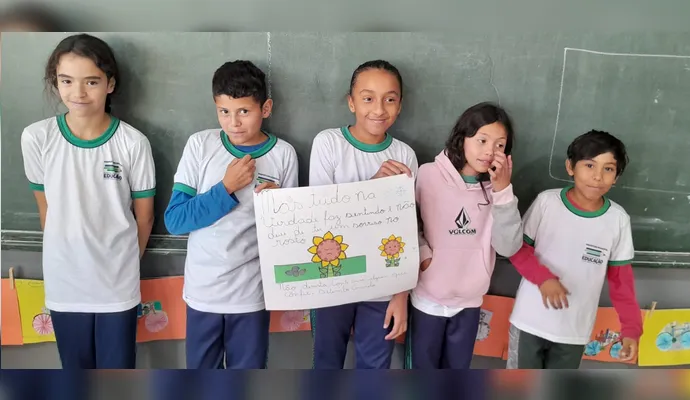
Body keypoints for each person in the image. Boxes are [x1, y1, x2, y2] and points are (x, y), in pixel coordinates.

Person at [20, 33, 156, 369]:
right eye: (66, 81)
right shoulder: (37, 138)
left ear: (110, 84)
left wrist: (120, 264)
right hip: (65, 281)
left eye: (91, 81)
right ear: (55, 82)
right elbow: (45, 208)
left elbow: (145, 218)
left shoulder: (132, 143)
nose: (78, 93)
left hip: (117, 285)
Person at [164, 60, 299, 369]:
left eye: (244, 112)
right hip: (203, 293)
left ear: (265, 108)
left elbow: (290, 234)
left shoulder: (283, 155)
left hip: (252, 294)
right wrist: (225, 188)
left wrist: (280, 210)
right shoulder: (200, 145)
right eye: (224, 111)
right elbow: (175, 220)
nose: (234, 123)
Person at [307, 60, 418, 369]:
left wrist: (400, 295)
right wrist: (372, 187)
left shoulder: (405, 155)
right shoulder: (329, 143)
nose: (379, 109)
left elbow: (407, 229)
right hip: (332, 278)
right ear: (351, 102)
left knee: (375, 368)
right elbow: (319, 216)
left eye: (390, 99)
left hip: (382, 283)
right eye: (368, 98)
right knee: (327, 362)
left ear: (399, 105)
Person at [506, 129, 642, 369]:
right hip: (530, 322)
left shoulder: (617, 219)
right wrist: (544, 279)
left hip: (574, 331)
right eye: (589, 165)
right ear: (570, 167)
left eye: (608, 169)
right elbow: (517, 250)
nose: (598, 176)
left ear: (617, 176)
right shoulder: (547, 203)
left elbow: (621, 281)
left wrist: (631, 329)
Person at [405, 102, 523, 369]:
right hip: (428, 300)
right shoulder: (428, 175)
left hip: (470, 303)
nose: (489, 152)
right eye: (482, 140)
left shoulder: (498, 190)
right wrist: (425, 257)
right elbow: (408, 223)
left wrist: (503, 191)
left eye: (500, 145)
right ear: (463, 139)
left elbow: (508, 247)